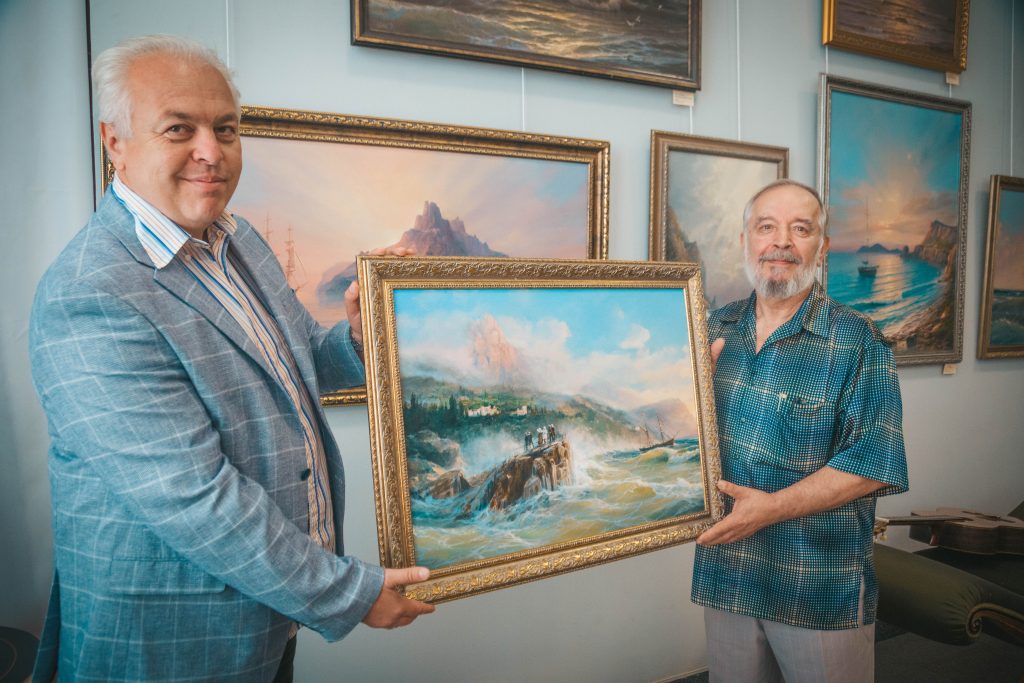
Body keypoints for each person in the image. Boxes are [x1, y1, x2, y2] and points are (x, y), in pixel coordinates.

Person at [29, 35, 433, 682]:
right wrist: (348, 594)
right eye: (178, 129)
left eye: (225, 128)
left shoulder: (237, 239)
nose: (211, 152)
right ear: (115, 142)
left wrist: (362, 337)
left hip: (268, 618)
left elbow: (300, 363)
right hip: (170, 645)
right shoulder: (89, 294)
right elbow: (195, 499)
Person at [691, 179, 908, 683]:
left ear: (822, 247)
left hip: (817, 586)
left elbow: (875, 463)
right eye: (766, 227)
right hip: (728, 572)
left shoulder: (858, 340)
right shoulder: (711, 329)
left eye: (800, 229)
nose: (781, 242)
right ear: (745, 240)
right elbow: (685, 442)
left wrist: (771, 509)